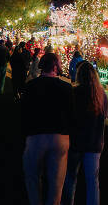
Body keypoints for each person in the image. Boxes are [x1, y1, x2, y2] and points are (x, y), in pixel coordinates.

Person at [21, 53, 74, 205]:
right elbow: (71, 114)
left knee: (32, 177)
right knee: (57, 185)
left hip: (36, 136)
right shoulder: (66, 87)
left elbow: (24, 113)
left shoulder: (31, 86)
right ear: (55, 67)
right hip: (60, 137)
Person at [61, 61, 108, 205]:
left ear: (79, 75)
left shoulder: (74, 92)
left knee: (70, 178)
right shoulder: (101, 95)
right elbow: (104, 116)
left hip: (75, 142)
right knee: (93, 182)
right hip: (94, 143)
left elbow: (67, 116)